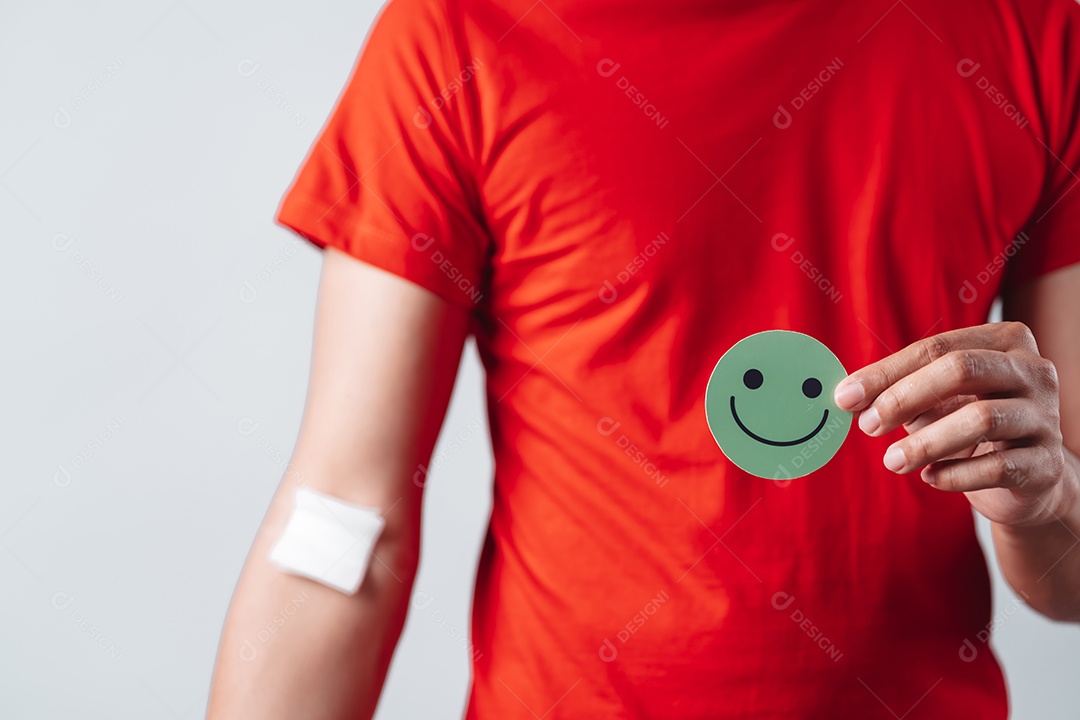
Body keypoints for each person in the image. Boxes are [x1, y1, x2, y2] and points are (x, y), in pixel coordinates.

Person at [207, 0, 1080, 716]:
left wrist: (1047, 502)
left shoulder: (1036, 30)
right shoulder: (457, 33)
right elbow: (346, 528)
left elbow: (1067, 578)